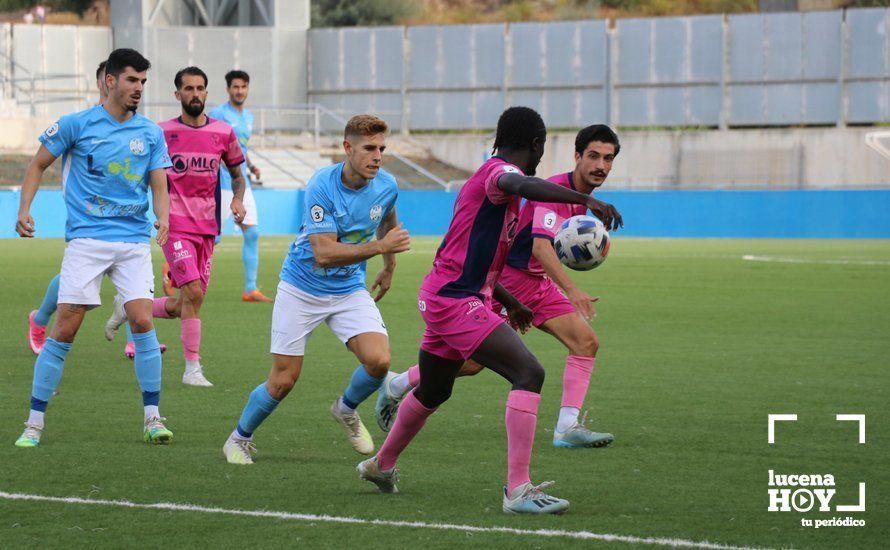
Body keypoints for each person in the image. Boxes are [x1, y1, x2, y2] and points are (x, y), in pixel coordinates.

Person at [356, 107, 622, 514]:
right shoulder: (497, 174)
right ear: (536, 145)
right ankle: (518, 491)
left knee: (434, 388)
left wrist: (512, 303)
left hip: (453, 294)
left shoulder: (501, 193)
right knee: (528, 372)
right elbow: (519, 180)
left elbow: (476, 254)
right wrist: (586, 199)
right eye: (541, 148)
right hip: (454, 299)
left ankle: (380, 464)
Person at [222, 115, 409, 465]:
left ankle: (346, 409)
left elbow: (387, 214)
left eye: (382, 148)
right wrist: (382, 248)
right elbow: (324, 254)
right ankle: (238, 438)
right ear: (347, 148)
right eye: (369, 148)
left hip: (349, 288)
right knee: (283, 381)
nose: (378, 156)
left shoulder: (387, 184)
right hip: (302, 287)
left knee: (379, 362)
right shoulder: (321, 185)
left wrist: (389, 267)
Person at [13, 48, 174, 447]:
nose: (138, 88)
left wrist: (164, 216)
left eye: (143, 82)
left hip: (134, 240)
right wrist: (25, 208)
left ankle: (153, 417)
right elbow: (37, 165)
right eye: (132, 80)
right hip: (87, 238)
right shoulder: (76, 124)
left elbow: (159, 182)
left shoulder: (150, 133)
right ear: (110, 81)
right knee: (66, 326)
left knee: (141, 321)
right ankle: (34, 423)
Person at [106, 66, 247, 387]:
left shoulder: (223, 133)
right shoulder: (160, 132)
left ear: (206, 94)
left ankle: (129, 307)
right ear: (178, 94)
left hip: (208, 228)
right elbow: (141, 172)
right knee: (193, 292)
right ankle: (192, 369)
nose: (195, 94)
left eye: (200, 88)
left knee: (187, 303)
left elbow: (238, 176)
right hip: (174, 225)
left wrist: (237, 200)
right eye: (188, 89)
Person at [206, 70, 270, 303]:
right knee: (213, 237)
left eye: (243, 87)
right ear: (228, 89)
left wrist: (251, 166)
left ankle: (250, 289)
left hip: (242, 183)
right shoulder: (218, 114)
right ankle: (173, 274)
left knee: (252, 233)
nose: (239, 91)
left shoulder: (249, 117)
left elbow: (240, 148)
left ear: (247, 89)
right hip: (222, 183)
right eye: (235, 87)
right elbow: (210, 145)